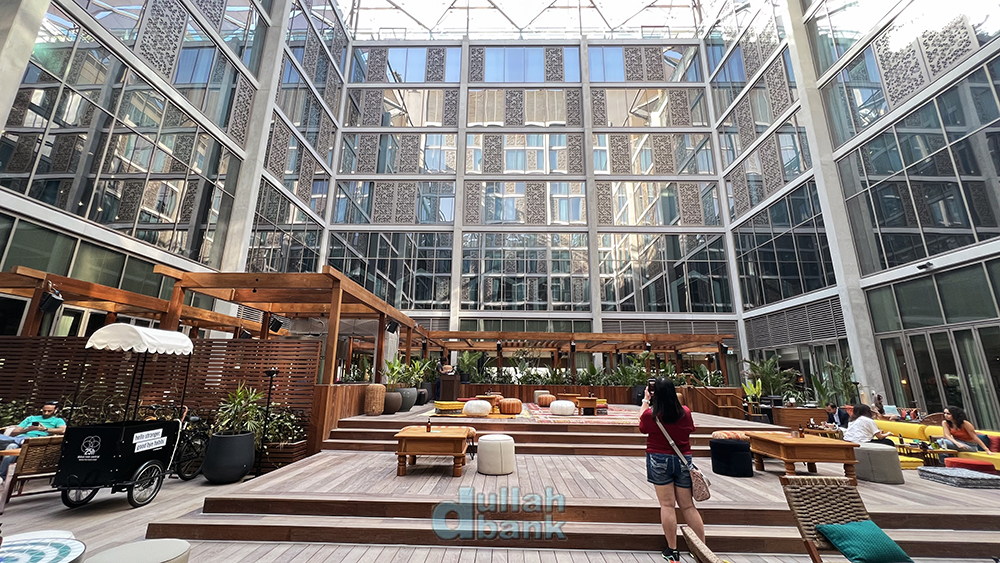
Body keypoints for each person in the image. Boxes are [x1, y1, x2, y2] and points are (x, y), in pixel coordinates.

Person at [638, 378, 705, 562]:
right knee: (688, 506)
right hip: (683, 460)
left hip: (659, 459)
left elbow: (642, 425)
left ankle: (672, 549)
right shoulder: (685, 412)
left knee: (667, 505)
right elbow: (690, 430)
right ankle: (701, 549)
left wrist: (645, 400)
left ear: (655, 393)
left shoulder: (651, 415)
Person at [0, 401, 66, 481]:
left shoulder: (58, 420)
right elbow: (14, 432)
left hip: (36, 441)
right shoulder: (31, 418)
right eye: (44, 411)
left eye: (49, 411)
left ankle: (1, 476)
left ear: (56, 410)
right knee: (12, 446)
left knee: (11, 446)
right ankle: (2, 477)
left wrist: (44, 429)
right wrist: (27, 429)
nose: (46, 413)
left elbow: (63, 430)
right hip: (22, 437)